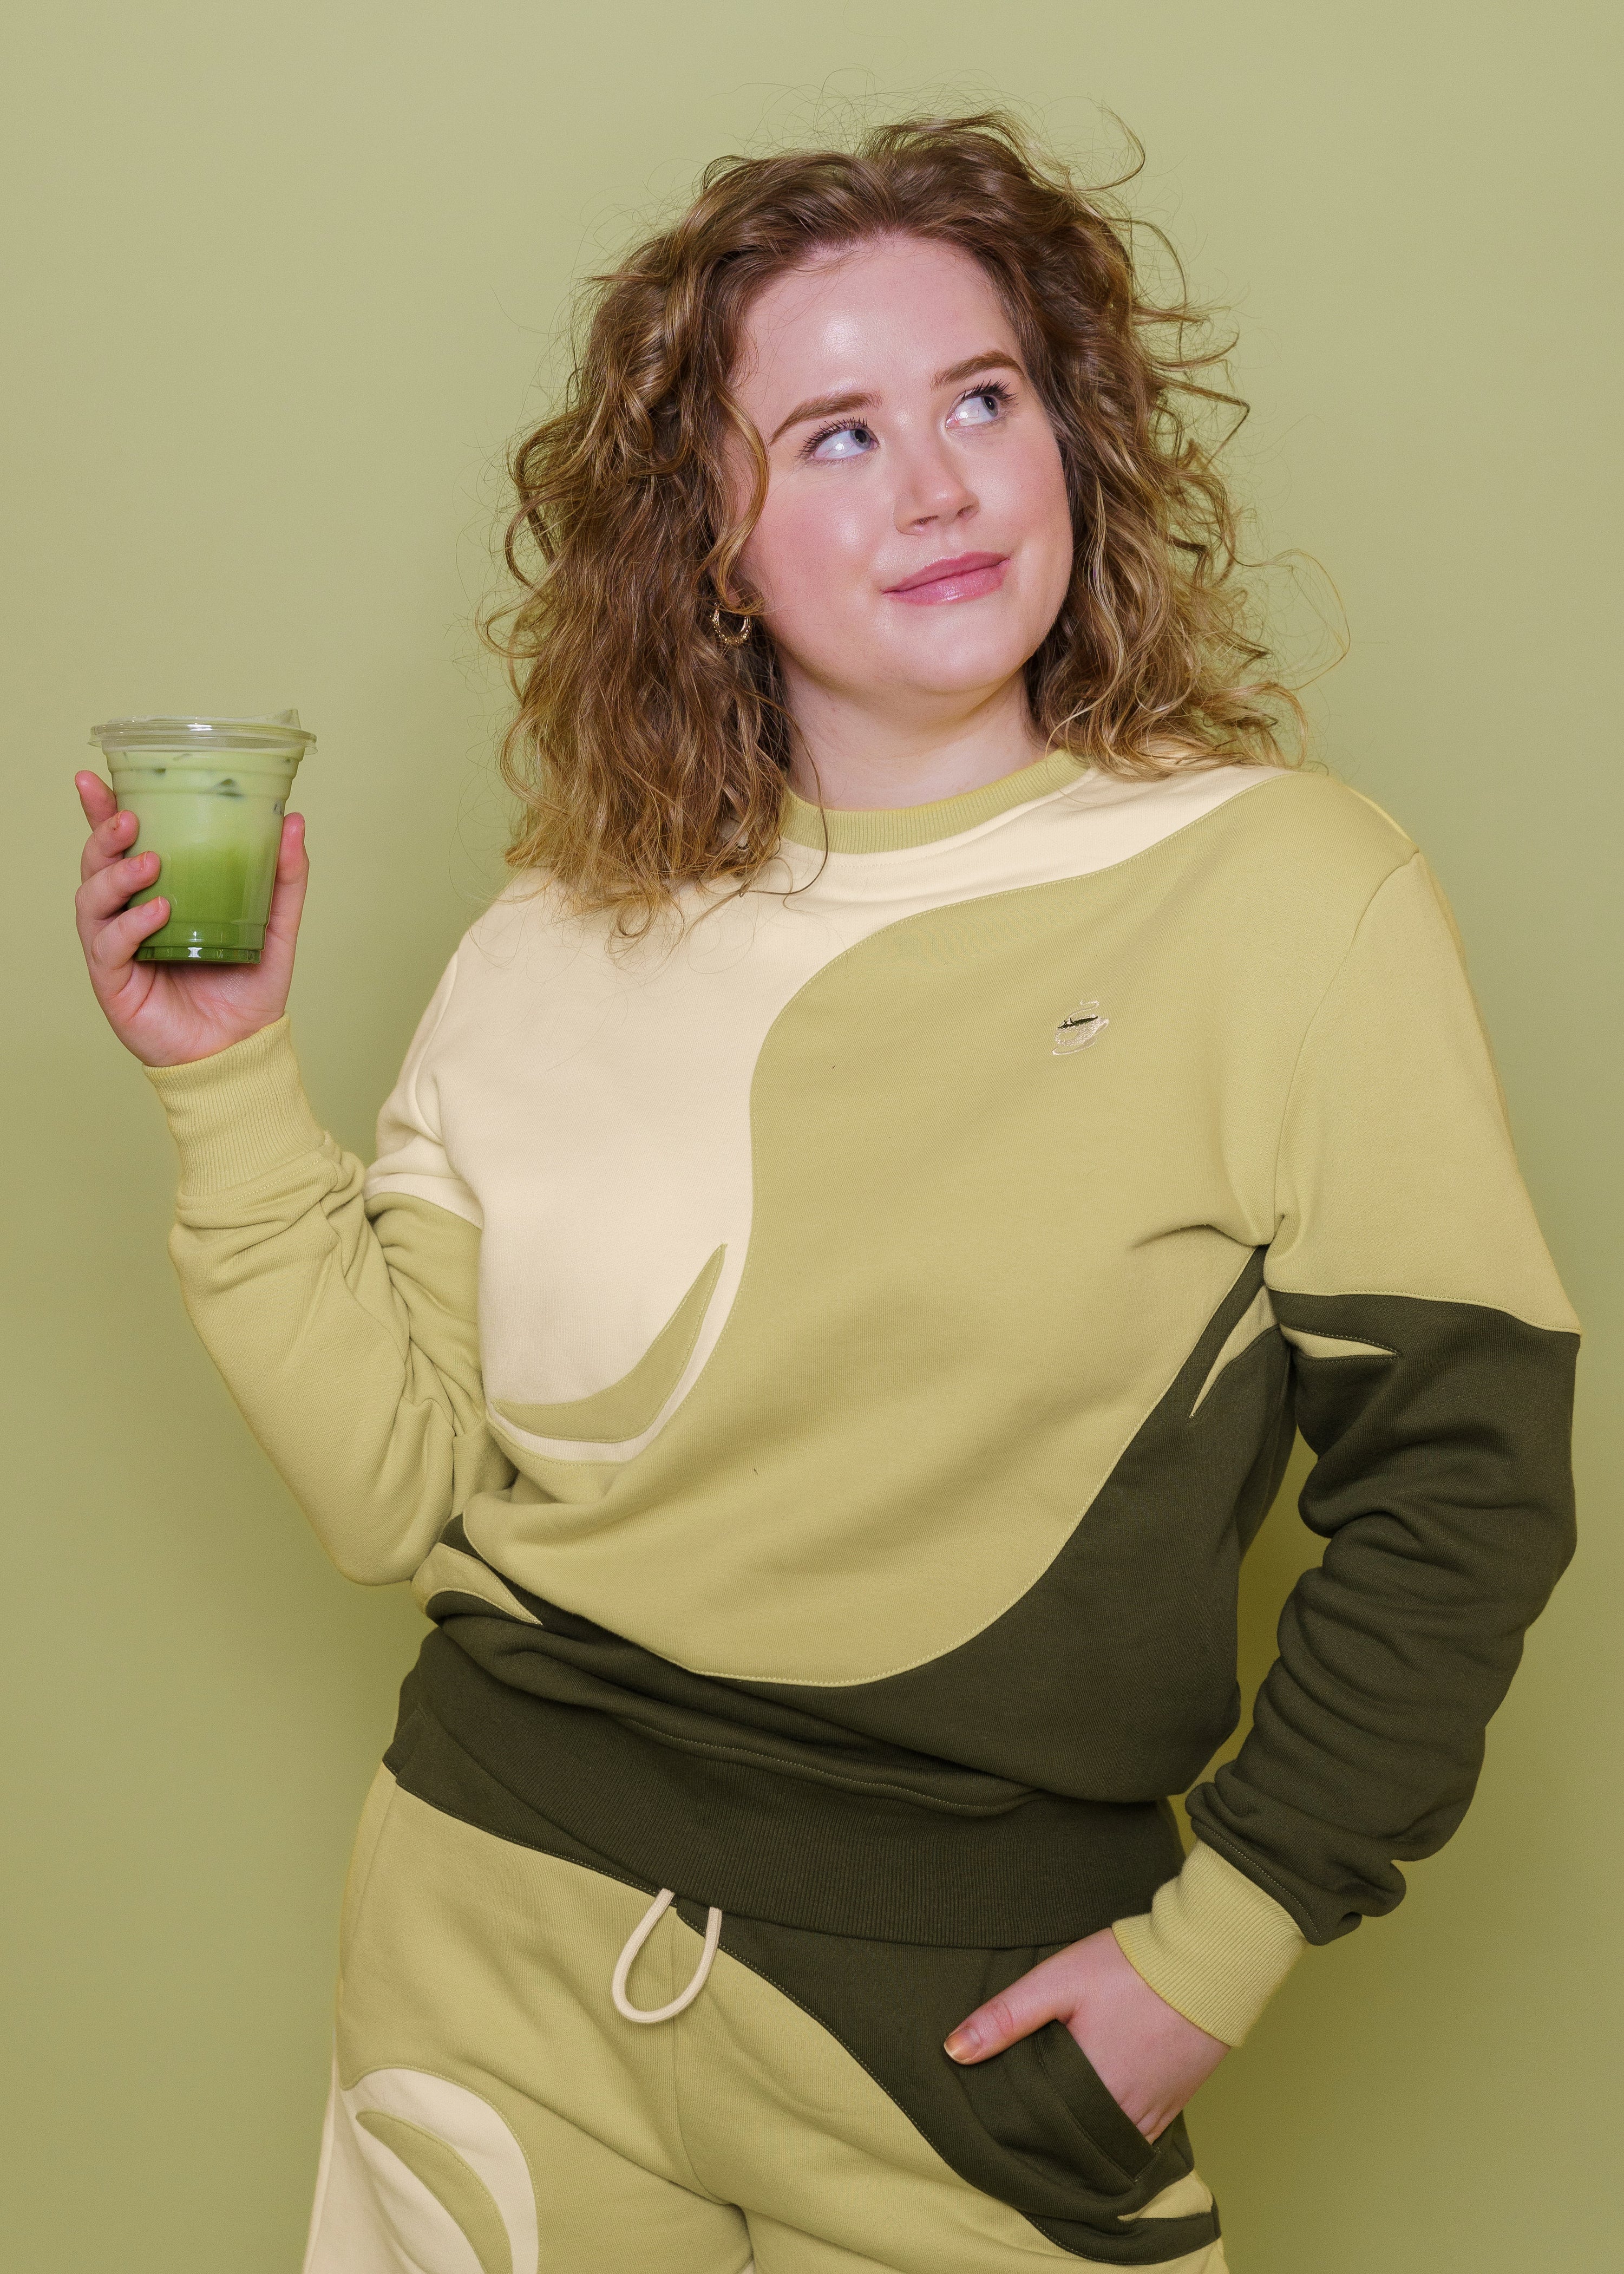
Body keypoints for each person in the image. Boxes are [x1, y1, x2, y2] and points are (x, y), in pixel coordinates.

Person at [72, 114, 1578, 2274]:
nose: (946, 482)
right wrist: (222, 1086)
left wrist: (1210, 1964)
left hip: (973, 2034)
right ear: (709, 540)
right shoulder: (554, 935)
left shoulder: (1293, 897)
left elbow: (1464, 1488)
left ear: (1075, 436)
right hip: (487, 1967)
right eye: (840, 434)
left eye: (984, 398)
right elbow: (393, 1496)